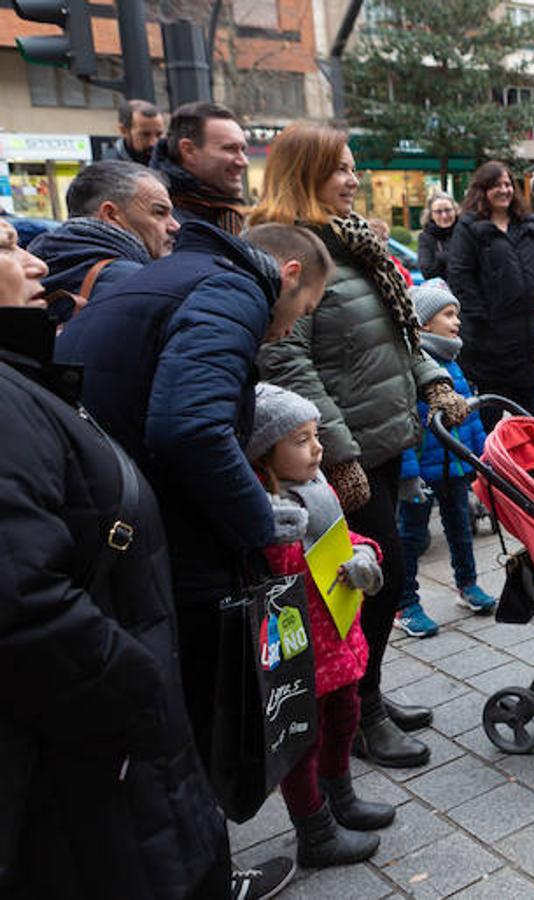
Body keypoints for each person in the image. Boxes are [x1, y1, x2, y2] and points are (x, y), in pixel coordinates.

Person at [52, 219, 330, 899]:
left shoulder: (182, 276)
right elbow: (189, 428)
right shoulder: (233, 289)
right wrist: (261, 527)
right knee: (196, 707)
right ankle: (205, 875)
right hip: (158, 531)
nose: (292, 330)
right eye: (305, 311)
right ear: (287, 275)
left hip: (116, 518)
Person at [0, 219, 238, 900]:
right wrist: (139, 690)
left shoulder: (26, 377)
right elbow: (22, 605)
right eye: (8, 248)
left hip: (118, 762)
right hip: (101, 773)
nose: (36, 265)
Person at [250, 123, 470, 770]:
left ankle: (367, 693)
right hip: (338, 454)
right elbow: (287, 362)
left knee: (382, 573)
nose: (352, 179)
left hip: (384, 435)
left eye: (352, 167)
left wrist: (433, 384)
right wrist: (339, 455)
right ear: (302, 174)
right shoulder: (286, 250)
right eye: (338, 169)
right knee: (375, 579)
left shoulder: (354, 246)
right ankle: (361, 713)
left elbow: (400, 335)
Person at [249, 383, 397, 869]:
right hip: (300, 650)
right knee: (302, 740)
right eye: (300, 440)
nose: (317, 447)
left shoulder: (319, 491)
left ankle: (342, 797)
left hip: (338, 635)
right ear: (265, 453)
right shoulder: (262, 514)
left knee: (344, 719)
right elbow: (281, 570)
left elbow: (341, 538)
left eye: (316, 436)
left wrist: (363, 553)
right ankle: (314, 827)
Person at [394, 284, 497, 638]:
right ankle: (405, 602)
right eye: (448, 315)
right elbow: (403, 422)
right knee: (411, 535)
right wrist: (408, 474)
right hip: (422, 469)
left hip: (454, 464)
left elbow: (469, 416)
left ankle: (467, 584)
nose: (457, 321)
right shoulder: (413, 366)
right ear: (422, 324)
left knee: (459, 527)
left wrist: (483, 455)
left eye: (456, 313)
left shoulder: (452, 360)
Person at [446, 161, 534, 425]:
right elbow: (460, 276)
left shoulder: (528, 225)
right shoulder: (468, 228)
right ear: (483, 190)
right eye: (496, 185)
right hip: (490, 343)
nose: (504, 190)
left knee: (530, 417)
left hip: (530, 336)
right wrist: (482, 317)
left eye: (508, 184)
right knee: (490, 418)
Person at [28, 160, 179, 302]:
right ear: (111, 214)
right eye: (159, 212)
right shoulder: (137, 284)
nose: (175, 226)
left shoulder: (31, 271)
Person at [149, 101, 250, 234]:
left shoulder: (228, 210)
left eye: (243, 149)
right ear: (189, 150)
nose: (243, 162)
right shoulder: (161, 224)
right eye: (230, 149)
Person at [102, 98, 166, 166]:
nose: (153, 143)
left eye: (159, 135)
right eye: (145, 135)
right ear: (123, 131)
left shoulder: (167, 159)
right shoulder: (109, 169)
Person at [417, 191, 458, 283]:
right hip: (444, 293)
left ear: (455, 210)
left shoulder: (465, 232)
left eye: (448, 210)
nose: (444, 215)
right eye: (438, 212)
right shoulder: (425, 238)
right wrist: (443, 259)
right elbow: (427, 273)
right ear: (431, 215)